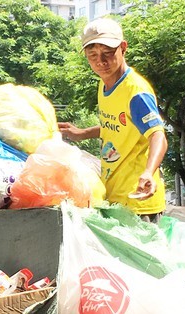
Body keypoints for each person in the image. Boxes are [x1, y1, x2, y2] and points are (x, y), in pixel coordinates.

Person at [58, 18, 167, 221]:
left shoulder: (136, 91)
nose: (101, 61)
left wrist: (149, 173)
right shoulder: (105, 84)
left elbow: (157, 135)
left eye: (107, 53)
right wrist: (82, 133)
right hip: (115, 197)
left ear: (123, 48)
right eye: (93, 55)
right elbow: (119, 123)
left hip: (139, 202)